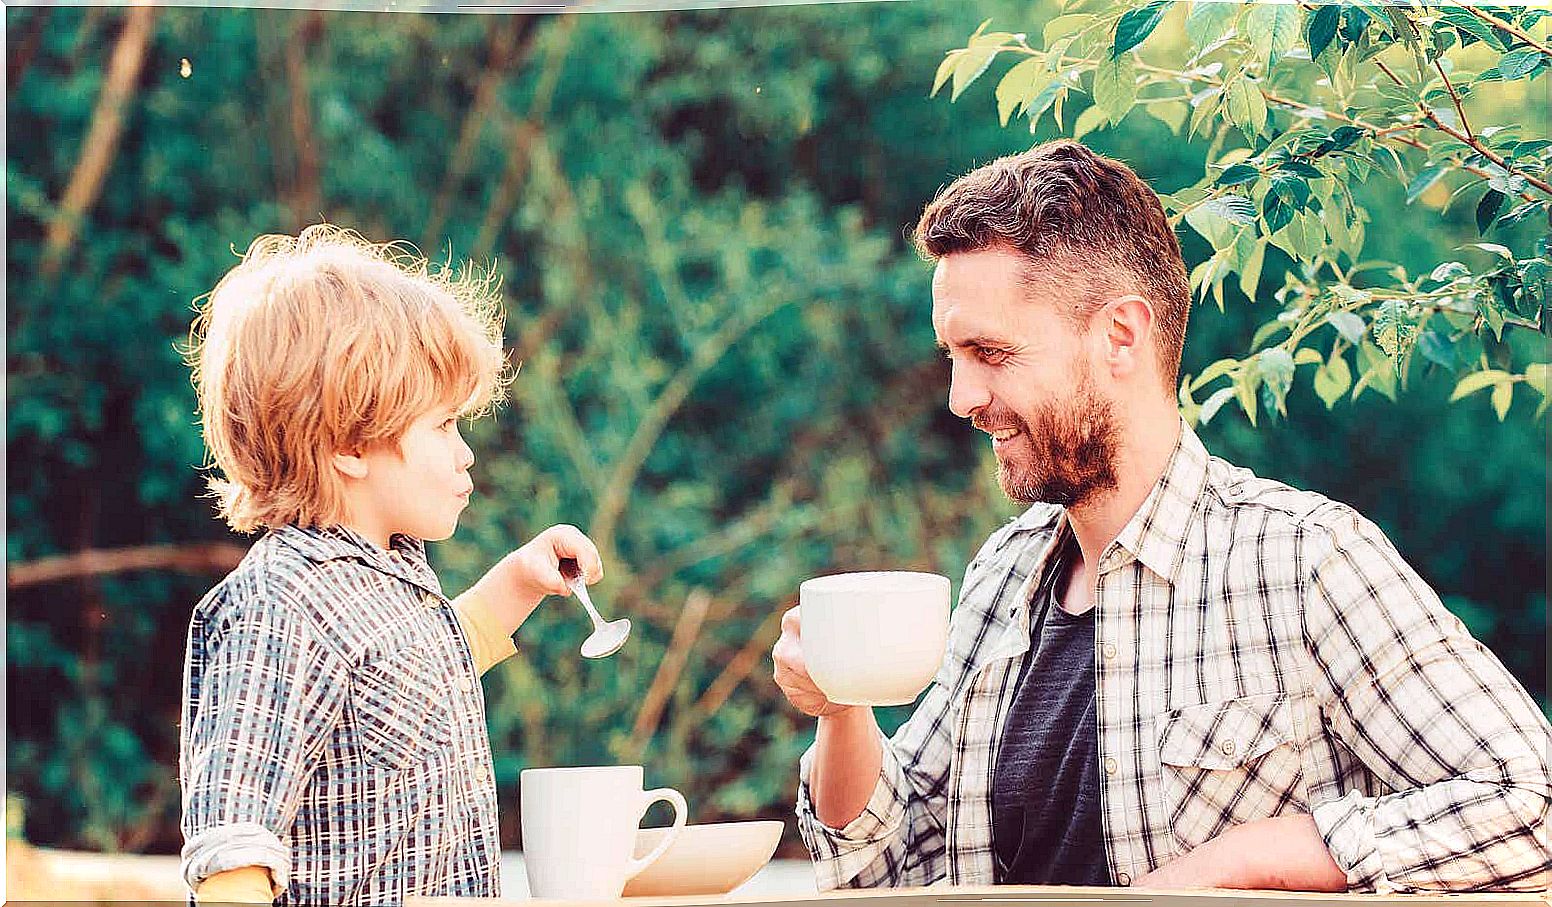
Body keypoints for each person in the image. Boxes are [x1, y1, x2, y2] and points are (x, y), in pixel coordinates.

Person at [772, 140, 1552, 893]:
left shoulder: (1306, 560)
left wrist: (1259, 855)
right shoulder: (999, 576)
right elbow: (882, 872)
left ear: (1120, 336)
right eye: (954, 356)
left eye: (993, 354)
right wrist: (842, 707)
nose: (961, 398)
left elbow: (1532, 804)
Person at [178, 225, 604, 904]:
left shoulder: (389, 578)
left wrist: (519, 580)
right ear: (349, 444)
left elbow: (420, 673)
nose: (465, 453)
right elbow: (233, 843)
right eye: (442, 427)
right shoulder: (280, 604)